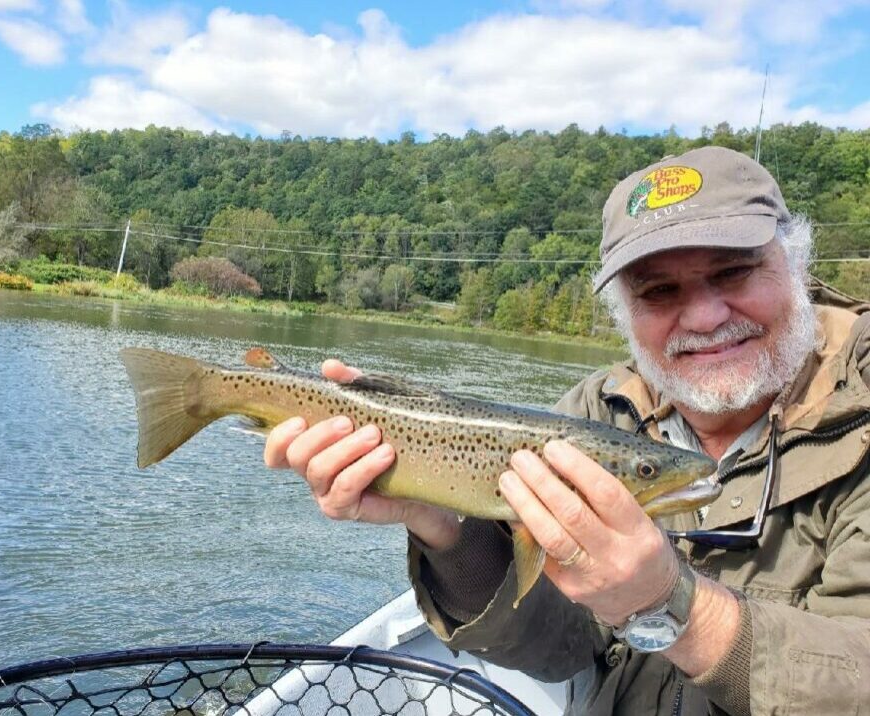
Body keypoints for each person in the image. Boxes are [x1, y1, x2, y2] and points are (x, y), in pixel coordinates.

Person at [263, 146, 870, 715]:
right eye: (659, 291)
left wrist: (670, 603)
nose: (706, 316)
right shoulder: (597, 411)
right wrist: (444, 528)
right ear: (625, 315)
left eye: (734, 273)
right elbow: (563, 650)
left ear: (796, 263)